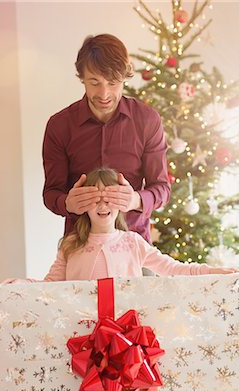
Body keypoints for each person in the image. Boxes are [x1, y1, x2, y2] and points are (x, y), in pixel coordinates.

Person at [42, 33, 171, 244]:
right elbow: (51, 192)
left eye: (113, 83)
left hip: (135, 246)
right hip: (79, 247)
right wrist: (67, 203)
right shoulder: (59, 126)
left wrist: (135, 200)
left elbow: (162, 188)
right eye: (94, 82)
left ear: (125, 78)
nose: (104, 94)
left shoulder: (147, 120)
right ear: (81, 77)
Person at [44, 168, 237, 282]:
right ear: (84, 203)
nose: (102, 205)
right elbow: (47, 287)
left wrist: (213, 272)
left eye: (110, 197)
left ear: (121, 200)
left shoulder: (133, 243)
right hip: (82, 336)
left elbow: (174, 269)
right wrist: (18, 285)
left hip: (128, 336)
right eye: (95, 198)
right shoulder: (70, 245)